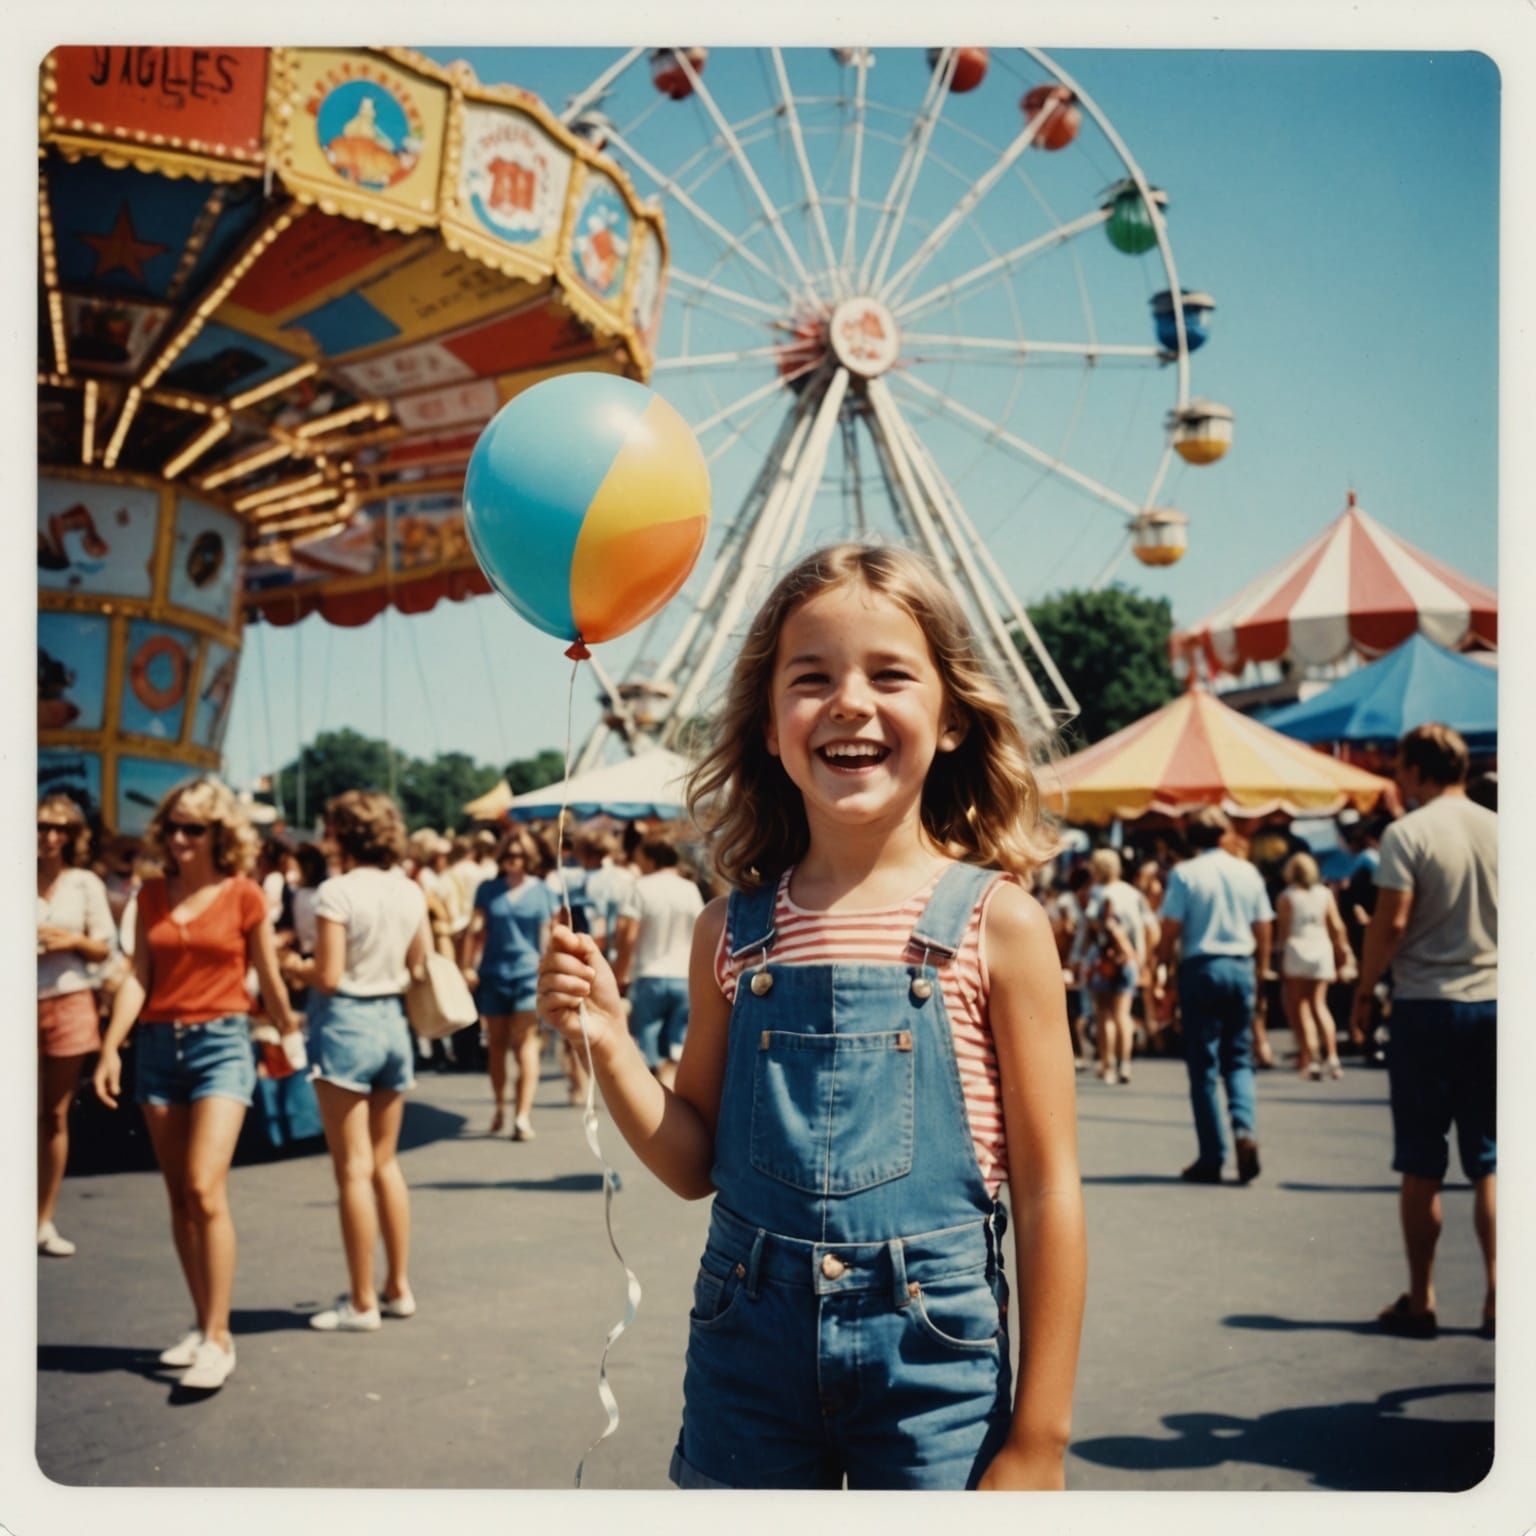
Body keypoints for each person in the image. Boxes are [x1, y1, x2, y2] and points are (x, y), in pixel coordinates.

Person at [539, 543, 1086, 1490]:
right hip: (744, 1353)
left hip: (937, 1363)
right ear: (765, 724)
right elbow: (691, 1164)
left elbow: (1048, 1193)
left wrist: (1040, 1437)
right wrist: (608, 1042)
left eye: (889, 674)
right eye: (812, 678)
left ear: (952, 717)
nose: (849, 702)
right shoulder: (732, 928)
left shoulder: (1001, 926)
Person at [93, 778, 301, 1392]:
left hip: (222, 1044)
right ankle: (199, 1321)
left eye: (194, 829)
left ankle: (218, 1336)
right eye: (174, 827)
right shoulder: (152, 892)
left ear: (218, 835)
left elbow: (268, 975)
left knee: (206, 1188)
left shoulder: (242, 896)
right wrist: (110, 1047)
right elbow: (137, 974)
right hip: (157, 1047)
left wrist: (290, 1034)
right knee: (180, 1196)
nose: (180, 839)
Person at [1349, 724, 1496, 1341]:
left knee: (1422, 1161)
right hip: (1497, 1000)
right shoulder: (1503, 828)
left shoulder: (1407, 834)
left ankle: (1423, 1296)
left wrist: (1363, 989)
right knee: (1491, 1159)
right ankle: (1498, 1298)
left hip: (1427, 1005)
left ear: (1416, 771)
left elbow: (1392, 920)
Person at [282, 792, 429, 1333]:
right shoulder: (409, 889)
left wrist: (293, 967)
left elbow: (327, 975)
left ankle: (362, 1301)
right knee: (386, 1163)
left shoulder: (336, 892)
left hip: (346, 1023)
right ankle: (398, 1286)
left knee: (352, 1169)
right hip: (394, 1023)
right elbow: (419, 964)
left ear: (343, 834)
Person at [1157, 806, 1274, 1186]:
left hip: (1201, 967)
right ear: (1223, 834)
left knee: (1203, 1065)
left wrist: (1162, 966)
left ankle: (1212, 1155)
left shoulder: (1185, 874)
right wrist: (1261, 969)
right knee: (1239, 1059)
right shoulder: (1247, 871)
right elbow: (1264, 925)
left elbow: (1171, 928)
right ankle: (1245, 1131)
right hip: (1241, 965)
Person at [37, 794, 116, 1258]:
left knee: (54, 1114)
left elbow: (105, 947)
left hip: (67, 999)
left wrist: (72, 940)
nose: (48, 836)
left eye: (58, 828)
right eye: (41, 826)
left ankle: (42, 1218)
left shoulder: (83, 883)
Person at [463, 827, 556, 1139]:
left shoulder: (543, 891)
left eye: (519, 856)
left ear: (528, 859)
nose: (513, 861)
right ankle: (501, 1106)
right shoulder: (488, 890)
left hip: (528, 975)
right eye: (508, 855)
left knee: (525, 1045)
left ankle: (523, 1115)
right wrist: (466, 966)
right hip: (493, 974)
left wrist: (551, 970)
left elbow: (551, 934)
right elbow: (475, 931)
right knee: (497, 1046)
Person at [613, 837, 706, 1089]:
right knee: (677, 1047)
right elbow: (702, 932)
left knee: (645, 1047)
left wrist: (619, 975)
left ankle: (656, 1094)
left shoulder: (640, 887)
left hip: (649, 974)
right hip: (684, 976)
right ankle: (671, 1088)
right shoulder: (689, 889)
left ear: (651, 858)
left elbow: (627, 936)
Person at [1073, 848, 1146, 1085]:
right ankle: (1125, 1063)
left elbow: (1088, 927)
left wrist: (1079, 955)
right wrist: (1139, 957)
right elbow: (1138, 927)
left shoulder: (1097, 892)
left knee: (1104, 1014)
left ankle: (1108, 1064)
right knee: (1123, 1014)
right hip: (1127, 958)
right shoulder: (1131, 893)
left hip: (1102, 959)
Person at [1275, 851, 1351, 1080]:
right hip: (1321, 949)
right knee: (1320, 1004)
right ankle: (1333, 1056)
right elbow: (1336, 926)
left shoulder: (1287, 896)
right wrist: (1343, 952)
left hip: (1297, 950)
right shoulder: (1324, 894)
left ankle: (1310, 1058)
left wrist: (1278, 957)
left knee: (1300, 1007)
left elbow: (1284, 930)